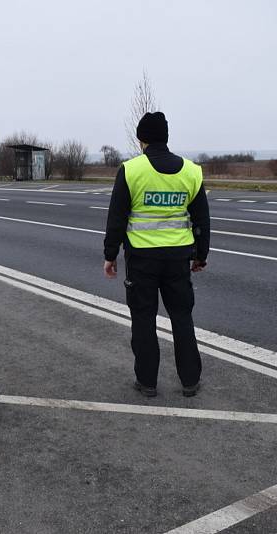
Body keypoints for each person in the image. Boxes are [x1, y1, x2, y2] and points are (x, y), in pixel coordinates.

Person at [103, 112, 210, 398]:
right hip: (178, 258)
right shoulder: (191, 171)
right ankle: (190, 381)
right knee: (182, 318)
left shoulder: (131, 170)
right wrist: (200, 255)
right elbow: (201, 218)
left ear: (142, 139)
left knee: (143, 319)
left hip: (142, 259)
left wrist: (110, 254)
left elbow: (117, 218)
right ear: (166, 137)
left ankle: (147, 382)